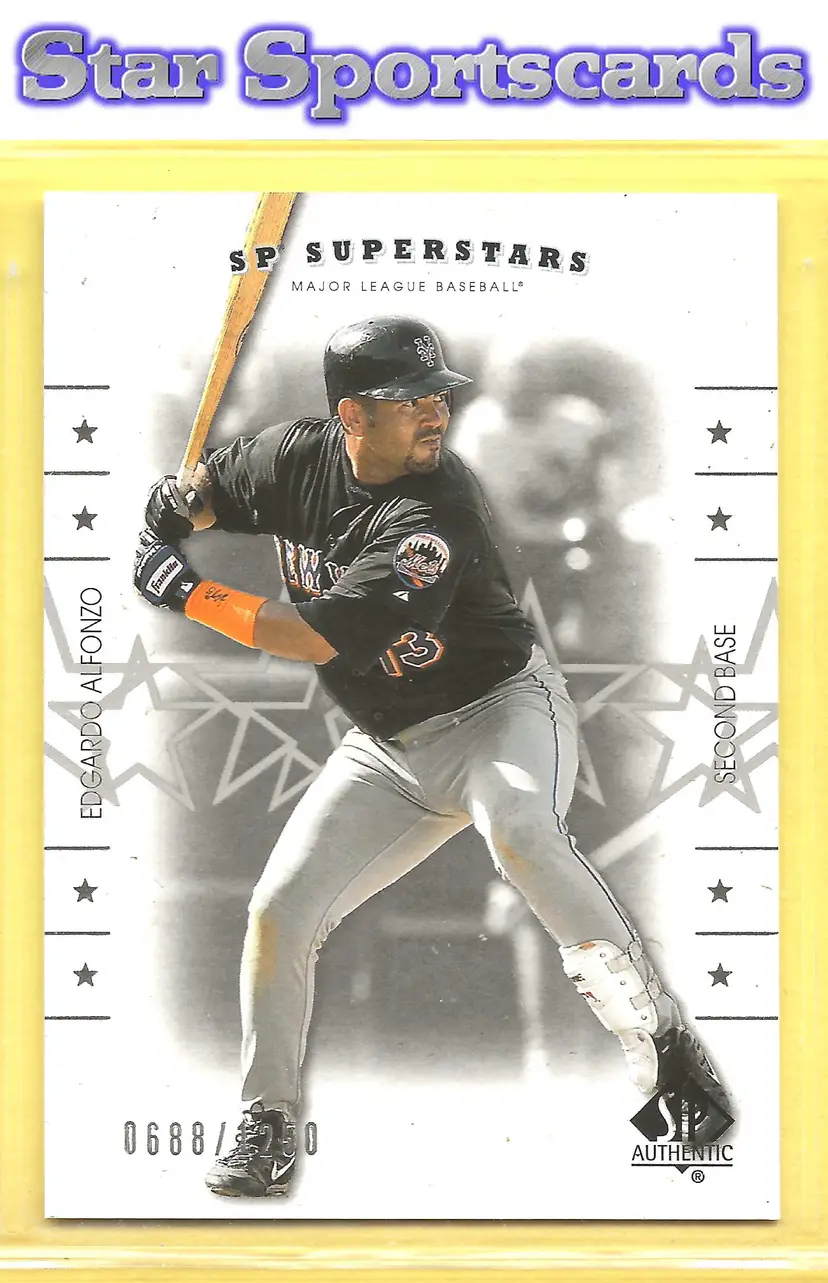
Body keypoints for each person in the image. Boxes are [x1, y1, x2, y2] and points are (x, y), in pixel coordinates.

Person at [134, 315, 731, 1199]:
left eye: (436, 396)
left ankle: (667, 1050)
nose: (434, 413)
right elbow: (212, 492)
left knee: (522, 830)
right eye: (408, 399)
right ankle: (266, 1120)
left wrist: (189, 591)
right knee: (279, 910)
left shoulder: (435, 510)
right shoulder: (290, 456)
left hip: (499, 714)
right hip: (388, 747)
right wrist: (177, 505)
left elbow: (307, 636)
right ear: (351, 415)